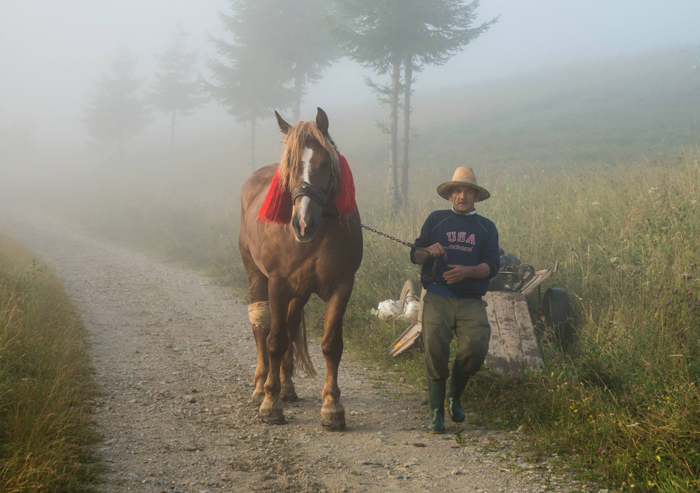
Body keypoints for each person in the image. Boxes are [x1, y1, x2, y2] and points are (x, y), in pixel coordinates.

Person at [411, 167, 500, 434]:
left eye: (468, 191)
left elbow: (492, 265)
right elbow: (415, 255)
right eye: (458, 191)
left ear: (476, 197)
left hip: (471, 300)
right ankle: (437, 413)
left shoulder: (486, 227)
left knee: (476, 347)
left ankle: (455, 395)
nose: (462, 196)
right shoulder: (436, 219)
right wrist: (428, 251)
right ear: (450, 196)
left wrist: (467, 271)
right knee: (435, 350)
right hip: (438, 296)